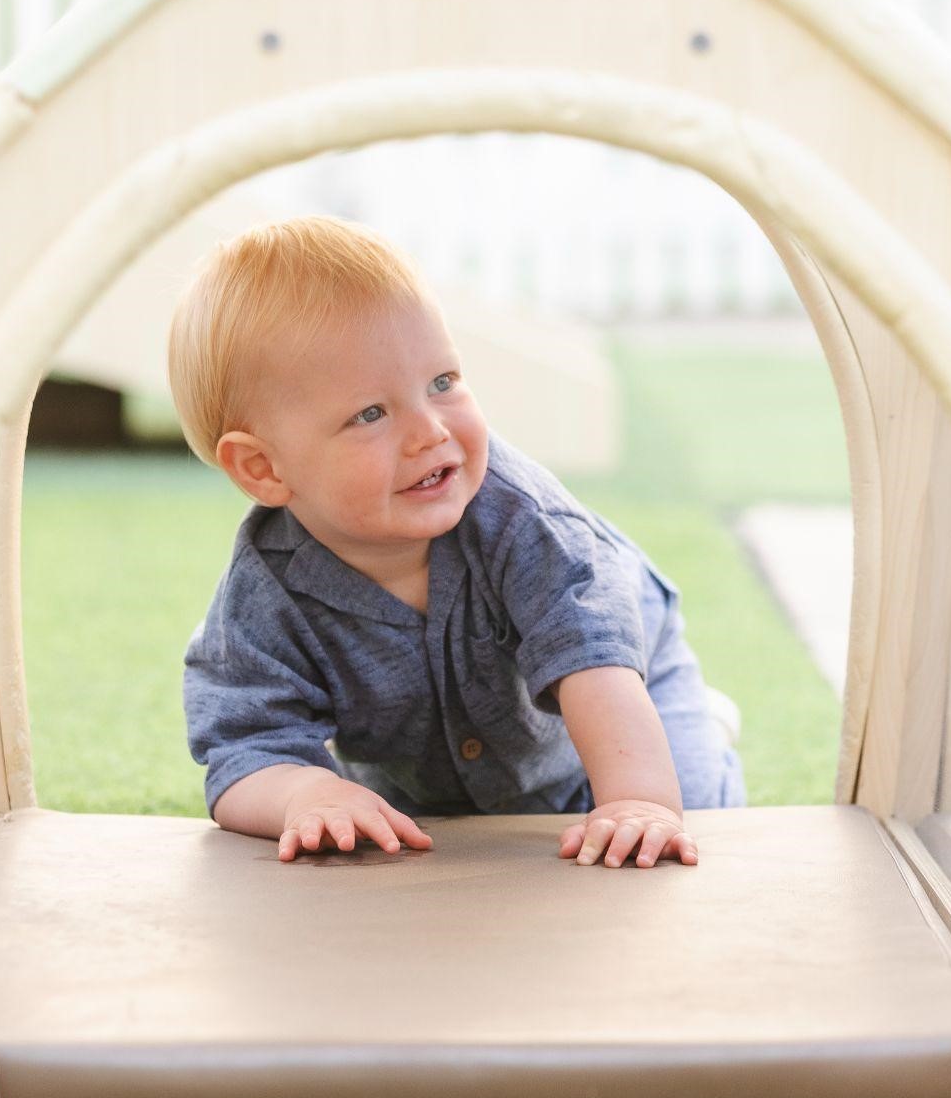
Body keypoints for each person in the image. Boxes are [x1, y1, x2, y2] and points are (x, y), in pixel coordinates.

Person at [167, 215, 744, 869]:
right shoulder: (265, 594)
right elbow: (244, 748)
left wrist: (639, 798)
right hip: (434, 768)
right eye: (371, 413)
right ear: (264, 469)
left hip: (624, 698)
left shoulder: (524, 521)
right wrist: (310, 791)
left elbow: (596, 664)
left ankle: (704, 722)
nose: (431, 431)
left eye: (442, 382)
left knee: (683, 818)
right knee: (431, 839)